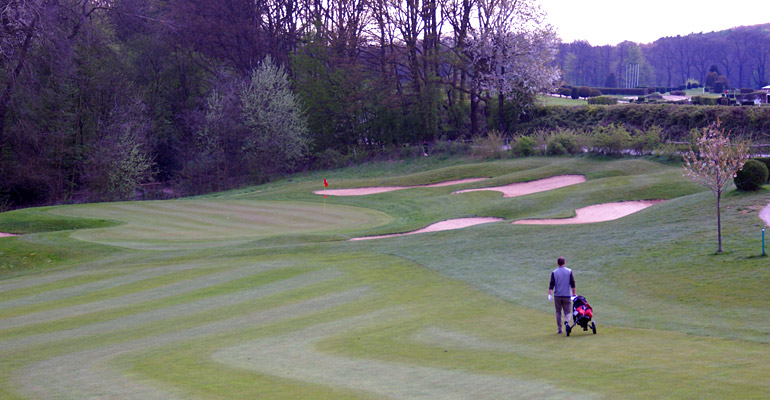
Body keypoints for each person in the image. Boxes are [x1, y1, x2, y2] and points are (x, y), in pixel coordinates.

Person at [547, 257, 576, 334]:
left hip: (557, 295)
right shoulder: (569, 271)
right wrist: (574, 294)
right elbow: (573, 283)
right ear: (564, 262)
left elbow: (551, 285)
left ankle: (560, 329)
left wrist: (549, 294)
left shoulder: (554, 272)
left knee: (558, 312)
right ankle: (567, 323)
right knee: (568, 312)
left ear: (557, 263)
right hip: (567, 295)